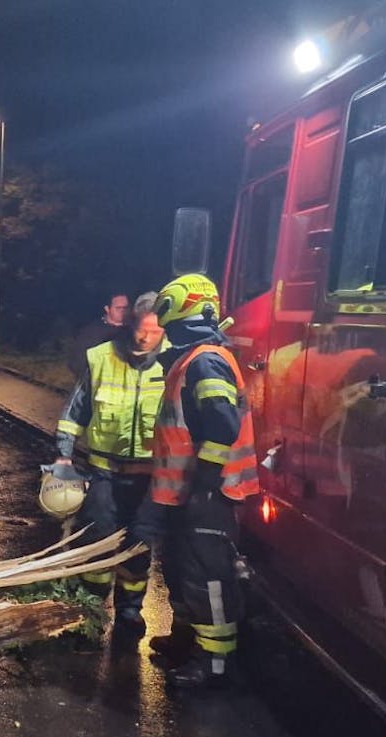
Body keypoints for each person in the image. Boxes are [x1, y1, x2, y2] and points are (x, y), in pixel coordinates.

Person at [130, 274, 259, 688]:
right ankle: (187, 641)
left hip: (208, 495)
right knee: (183, 570)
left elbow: (222, 425)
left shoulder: (205, 360)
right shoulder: (192, 360)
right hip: (185, 493)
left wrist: (204, 484)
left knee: (209, 578)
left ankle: (215, 663)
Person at [52, 292, 165, 637]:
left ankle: (130, 612)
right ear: (130, 324)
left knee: (138, 546)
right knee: (98, 539)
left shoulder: (174, 364)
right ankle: (91, 610)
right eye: (140, 329)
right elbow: (76, 411)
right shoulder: (101, 358)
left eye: (154, 332)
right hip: (104, 473)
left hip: (149, 478)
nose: (145, 338)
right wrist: (63, 455)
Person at [65, 293, 130, 381]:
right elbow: (77, 361)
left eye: (125, 308)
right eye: (118, 308)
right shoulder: (91, 332)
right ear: (107, 309)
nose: (122, 311)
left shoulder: (135, 330)